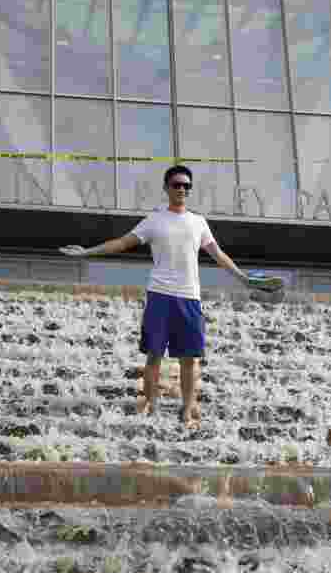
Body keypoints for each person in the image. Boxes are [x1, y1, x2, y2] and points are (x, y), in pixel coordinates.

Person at [60, 165, 253, 425]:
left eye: (186, 185)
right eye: (176, 184)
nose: (181, 189)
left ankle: (186, 408)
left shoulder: (198, 222)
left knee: (189, 358)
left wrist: (243, 278)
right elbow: (122, 242)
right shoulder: (155, 219)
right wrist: (87, 252)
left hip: (190, 298)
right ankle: (150, 405)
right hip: (160, 295)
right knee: (154, 355)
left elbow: (218, 255)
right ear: (166, 188)